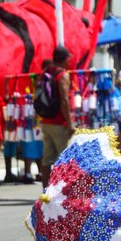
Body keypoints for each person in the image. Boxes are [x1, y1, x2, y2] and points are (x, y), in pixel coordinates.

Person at [40, 46, 74, 189]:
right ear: (65, 58)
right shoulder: (63, 75)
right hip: (59, 123)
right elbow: (64, 100)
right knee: (64, 157)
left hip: (46, 121)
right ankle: (63, 189)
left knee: (47, 158)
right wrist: (70, 122)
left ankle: (46, 190)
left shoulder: (46, 72)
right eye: (68, 58)